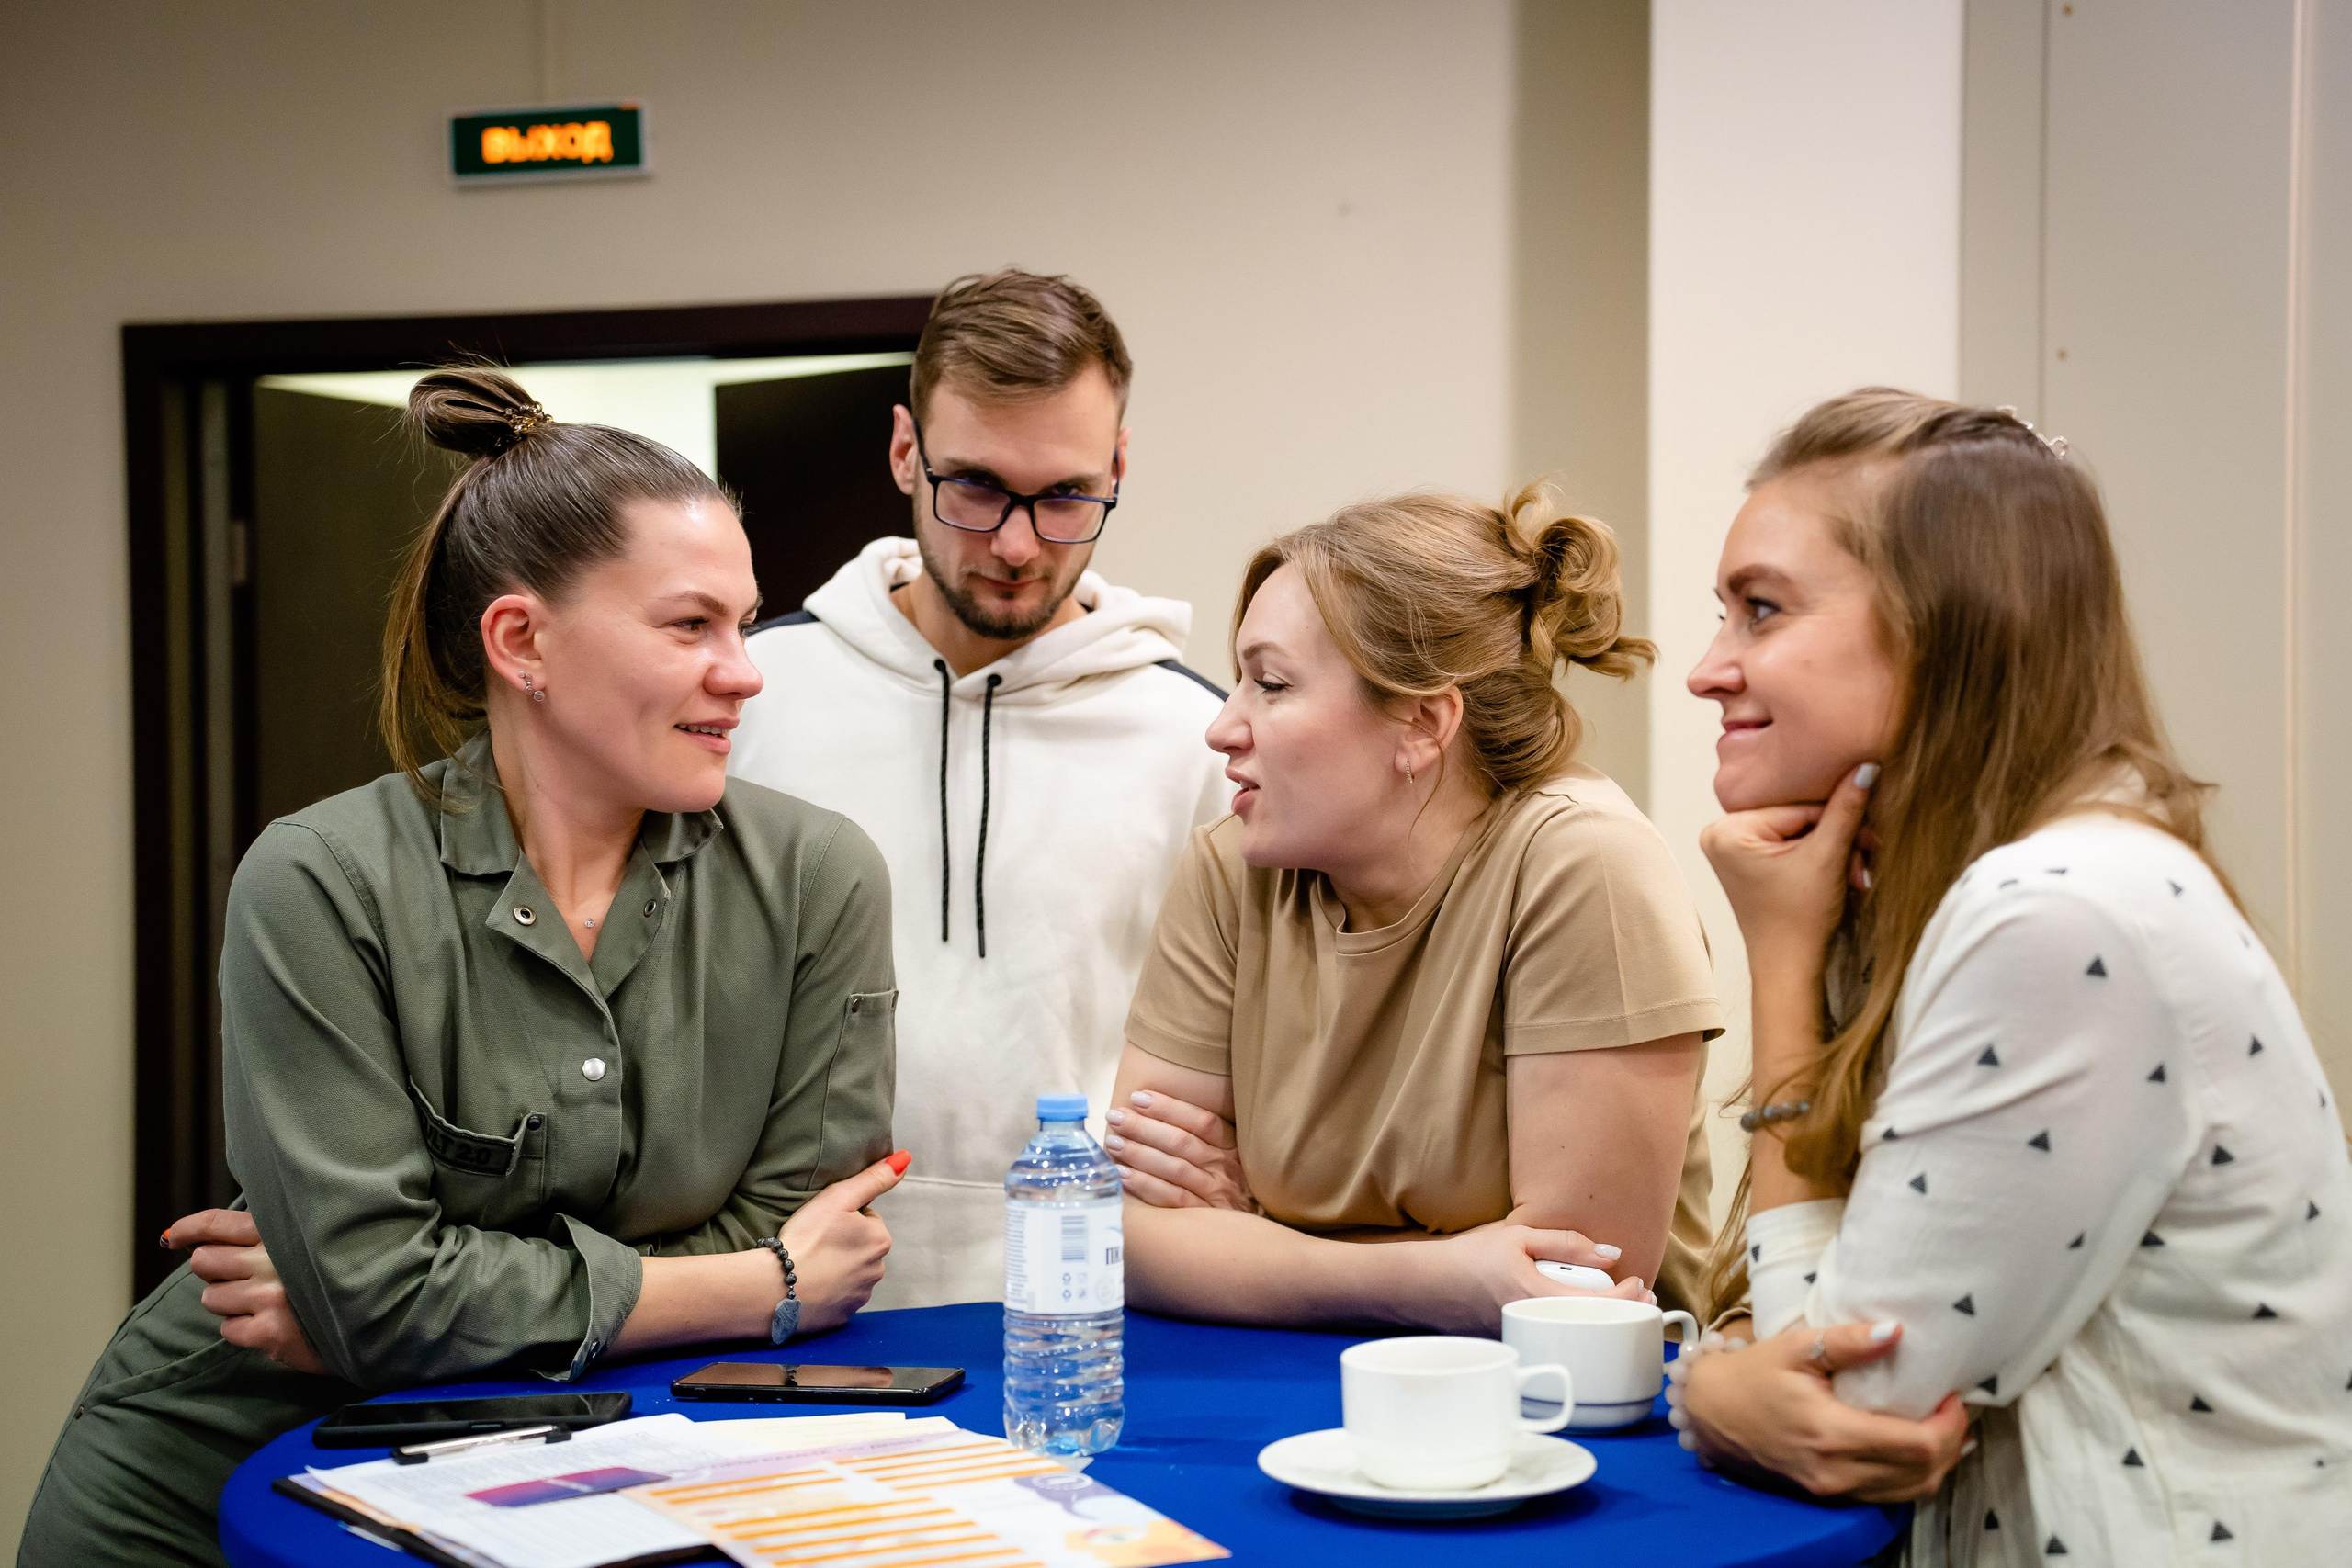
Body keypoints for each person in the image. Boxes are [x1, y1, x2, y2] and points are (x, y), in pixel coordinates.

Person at [22, 369, 909, 1567]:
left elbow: (800, 1231)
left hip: (616, 1469)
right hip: (224, 1470)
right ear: (521, 640)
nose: (743, 669)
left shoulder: (817, 878)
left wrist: (380, 1316)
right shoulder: (320, 880)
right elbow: (388, 1288)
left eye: (743, 624)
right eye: (689, 623)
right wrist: (759, 1283)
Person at [1668, 390, 2352, 1562]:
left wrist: (1712, 1395)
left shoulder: (2053, 913)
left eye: (1760, 613)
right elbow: (1815, 1297)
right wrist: (1732, 1374)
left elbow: (1836, 1397)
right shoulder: (1970, 885)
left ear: (1946, 629)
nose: (1705, 670)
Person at [1107, 486, 1724, 1331]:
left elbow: (1570, 1290)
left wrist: (1252, 1234)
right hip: (1283, 1386)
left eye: (1272, 684)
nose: (1222, 727)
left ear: (1423, 723)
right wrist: (1437, 1274)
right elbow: (1131, 1238)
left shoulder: (1585, 866)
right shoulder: (1231, 867)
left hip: (1564, 1417)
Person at [727, 270, 1227, 1309]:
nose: (1013, 543)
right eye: (976, 488)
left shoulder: (1203, 738)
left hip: (1105, 1298)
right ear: (905, 451)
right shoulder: (750, 698)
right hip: (793, 1289)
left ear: (1119, 465)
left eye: (1064, 497)